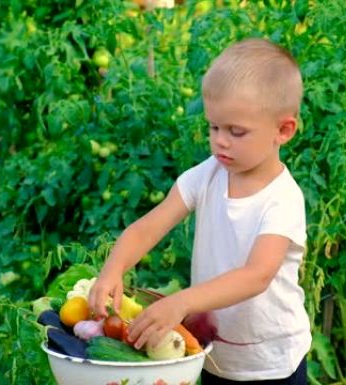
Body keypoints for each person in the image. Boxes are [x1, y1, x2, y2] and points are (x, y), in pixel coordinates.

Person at [88, 38, 310, 384]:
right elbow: (148, 228)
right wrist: (112, 269)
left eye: (236, 131)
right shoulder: (209, 174)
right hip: (213, 356)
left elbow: (257, 275)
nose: (220, 140)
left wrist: (182, 302)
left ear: (283, 130)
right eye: (214, 127)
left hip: (272, 364)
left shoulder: (282, 199)